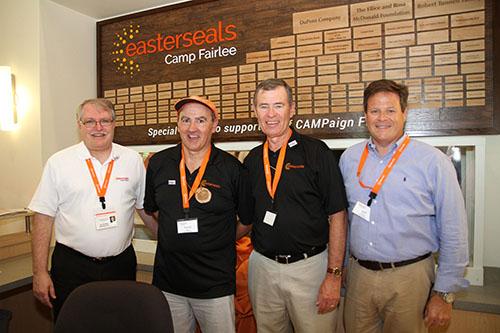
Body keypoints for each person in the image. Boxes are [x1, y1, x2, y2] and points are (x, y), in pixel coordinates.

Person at [339, 79, 469, 332]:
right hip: (359, 277)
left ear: (404, 113)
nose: (382, 118)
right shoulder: (349, 158)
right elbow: (345, 218)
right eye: (375, 111)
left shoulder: (433, 161)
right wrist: (343, 264)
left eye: (390, 110)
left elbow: (454, 229)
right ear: (365, 116)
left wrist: (443, 294)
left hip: (410, 278)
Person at [29, 98, 156, 321]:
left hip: (120, 265)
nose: (98, 128)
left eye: (105, 121)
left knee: (121, 324)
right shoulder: (59, 162)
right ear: (79, 125)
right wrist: (39, 272)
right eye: (90, 121)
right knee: (74, 325)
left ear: (115, 124)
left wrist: (169, 240)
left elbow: (144, 208)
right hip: (72, 266)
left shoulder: (132, 160)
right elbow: (43, 216)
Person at [243, 78, 348, 332]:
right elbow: (244, 219)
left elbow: (338, 215)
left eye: (278, 105)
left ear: (292, 109)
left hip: (309, 268)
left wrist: (333, 275)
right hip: (263, 269)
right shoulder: (252, 160)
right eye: (263, 106)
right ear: (255, 111)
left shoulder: (316, 152)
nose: (271, 114)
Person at [143, 96, 252, 333]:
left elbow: (246, 221)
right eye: (186, 120)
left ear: (214, 125)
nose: (192, 128)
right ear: (178, 125)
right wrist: (169, 237)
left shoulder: (232, 169)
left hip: (215, 286)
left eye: (201, 121)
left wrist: (221, 239)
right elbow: (151, 211)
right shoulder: (159, 163)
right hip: (169, 284)